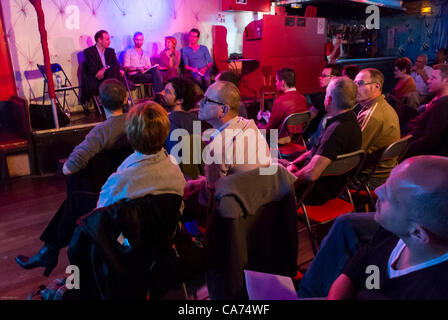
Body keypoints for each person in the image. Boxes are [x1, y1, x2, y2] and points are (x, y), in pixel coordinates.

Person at [15, 102, 186, 276]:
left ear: (131, 136)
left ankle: (68, 269)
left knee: (81, 217)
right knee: (76, 200)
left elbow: (98, 218)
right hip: (160, 236)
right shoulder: (174, 169)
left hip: (126, 241)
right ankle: (49, 252)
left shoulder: (120, 179)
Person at [327, 156, 448, 300]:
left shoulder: (433, 290)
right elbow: (354, 273)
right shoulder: (392, 232)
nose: (377, 191)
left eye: (389, 197)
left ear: (417, 233)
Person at [183, 81, 271, 205]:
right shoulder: (249, 125)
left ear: (223, 110)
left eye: (207, 100)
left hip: (236, 213)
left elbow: (211, 198)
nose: (199, 103)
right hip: (260, 203)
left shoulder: (218, 148)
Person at [287, 77, 361, 205]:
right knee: (279, 164)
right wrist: (294, 163)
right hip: (333, 187)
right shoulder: (352, 121)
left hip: (312, 191)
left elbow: (311, 174)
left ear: (329, 99)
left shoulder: (337, 130)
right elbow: (317, 152)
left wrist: (291, 178)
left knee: (267, 170)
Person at [62, 79, 128, 176]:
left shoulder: (100, 132)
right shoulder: (139, 123)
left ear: (99, 100)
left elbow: (68, 169)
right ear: (125, 99)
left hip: (108, 184)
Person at [354, 68, 400, 189]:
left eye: (360, 83)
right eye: (354, 84)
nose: (354, 88)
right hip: (385, 174)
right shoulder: (382, 106)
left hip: (372, 179)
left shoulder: (373, 115)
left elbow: (355, 154)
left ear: (376, 86)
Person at [405, 64, 448, 158]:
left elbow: (429, 141)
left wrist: (403, 149)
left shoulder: (443, 105)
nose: (428, 80)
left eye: (433, 78)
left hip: (414, 150)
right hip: (410, 135)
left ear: (446, 81)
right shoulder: (437, 97)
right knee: (405, 109)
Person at [257, 67, 308, 144]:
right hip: (296, 139)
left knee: (257, 130)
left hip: (280, 140)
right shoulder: (303, 98)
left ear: (282, 82)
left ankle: (272, 154)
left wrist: (260, 123)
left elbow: (270, 129)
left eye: (277, 80)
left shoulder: (279, 101)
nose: (275, 83)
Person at [304, 64, 342, 148]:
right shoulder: (342, 97)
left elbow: (307, 117)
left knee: (273, 132)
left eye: (323, 76)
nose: (319, 78)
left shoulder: (323, 98)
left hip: (313, 138)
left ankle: (273, 160)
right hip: (328, 139)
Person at [83, 30, 124, 98]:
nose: (109, 41)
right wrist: (108, 69)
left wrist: (105, 68)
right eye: (107, 39)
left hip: (110, 77)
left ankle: (118, 102)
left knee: (118, 74)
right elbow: (94, 69)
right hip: (97, 79)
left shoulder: (110, 51)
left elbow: (117, 65)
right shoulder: (88, 52)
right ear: (99, 40)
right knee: (113, 75)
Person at [123, 32, 164, 97]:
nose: (139, 42)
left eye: (141, 40)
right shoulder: (128, 52)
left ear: (143, 40)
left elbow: (149, 67)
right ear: (134, 40)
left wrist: (147, 68)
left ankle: (158, 96)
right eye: (137, 40)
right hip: (134, 75)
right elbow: (126, 67)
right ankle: (159, 96)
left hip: (144, 74)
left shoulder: (146, 53)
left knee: (155, 70)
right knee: (157, 77)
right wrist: (137, 68)